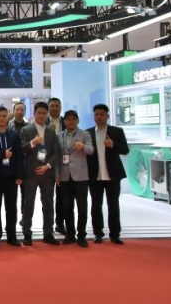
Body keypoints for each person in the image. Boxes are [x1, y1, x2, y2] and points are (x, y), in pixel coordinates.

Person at [87, 104, 129, 245]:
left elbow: (125, 150)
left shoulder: (117, 131)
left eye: (102, 114)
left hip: (113, 175)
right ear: (94, 116)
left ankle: (115, 234)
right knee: (96, 205)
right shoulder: (88, 133)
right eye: (96, 114)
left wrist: (113, 145)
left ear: (107, 116)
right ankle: (98, 233)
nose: (99, 117)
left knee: (113, 205)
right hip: (95, 176)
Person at [20, 102, 61, 246]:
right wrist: (33, 142)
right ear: (34, 113)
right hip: (31, 173)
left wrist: (48, 166)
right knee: (28, 204)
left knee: (48, 203)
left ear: (47, 114)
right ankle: (27, 233)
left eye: (44, 113)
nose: (42, 115)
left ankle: (48, 233)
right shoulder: (26, 130)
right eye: (39, 113)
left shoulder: (51, 131)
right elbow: (22, 149)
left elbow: (56, 152)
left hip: (47, 173)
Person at [57, 110, 94, 247]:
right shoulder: (59, 136)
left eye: (73, 119)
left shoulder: (85, 134)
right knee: (67, 207)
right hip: (64, 176)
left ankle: (82, 235)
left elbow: (91, 150)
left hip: (80, 176)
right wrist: (56, 175)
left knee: (82, 207)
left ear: (77, 120)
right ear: (64, 121)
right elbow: (56, 156)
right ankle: (70, 234)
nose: (71, 121)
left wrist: (83, 146)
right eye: (68, 119)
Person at [0, 105, 24, 247]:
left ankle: (11, 236)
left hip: (11, 177)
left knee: (11, 209)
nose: (2, 118)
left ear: (8, 116)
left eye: (4, 115)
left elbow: (19, 157)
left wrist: (19, 175)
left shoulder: (14, 135)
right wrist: (2, 154)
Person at [47, 97, 67, 235]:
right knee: (48, 197)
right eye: (52, 106)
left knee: (62, 197)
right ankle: (48, 225)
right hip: (47, 164)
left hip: (63, 164)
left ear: (60, 107)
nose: (55, 108)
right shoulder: (42, 121)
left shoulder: (67, 121)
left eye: (57, 106)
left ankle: (60, 223)